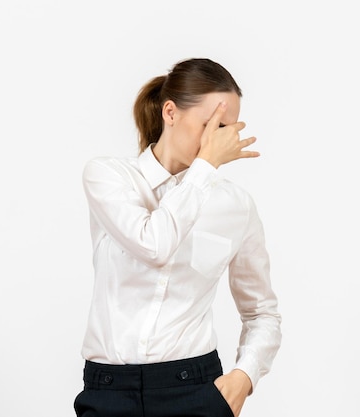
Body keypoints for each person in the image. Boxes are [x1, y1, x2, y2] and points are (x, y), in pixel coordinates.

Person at [74, 57, 282, 417]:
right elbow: (154, 244)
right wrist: (205, 168)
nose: (218, 141)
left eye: (226, 129)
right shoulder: (110, 177)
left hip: (194, 388)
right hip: (109, 391)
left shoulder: (235, 205)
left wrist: (243, 378)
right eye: (210, 124)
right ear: (170, 112)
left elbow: (262, 311)